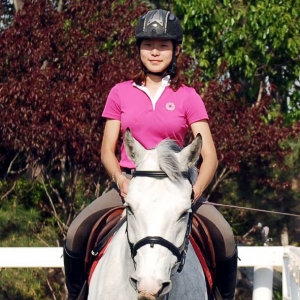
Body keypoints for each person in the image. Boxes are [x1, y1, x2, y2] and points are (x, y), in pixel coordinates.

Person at [63, 9, 237, 300]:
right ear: (138, 49)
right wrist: (120, 180)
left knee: (225, 237)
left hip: (176, 185)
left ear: (176, 49)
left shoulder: (188, 96)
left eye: (163, 45)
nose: (155, 52)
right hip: (132, 183)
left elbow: (210, 156)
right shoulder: (120, 92)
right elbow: (108, 150)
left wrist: (191, 194)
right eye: (148, 45)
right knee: (75, 233)